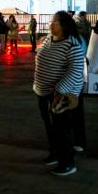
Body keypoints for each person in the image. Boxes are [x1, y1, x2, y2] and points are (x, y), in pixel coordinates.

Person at [33, 11, 85, 176]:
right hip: (43, 91)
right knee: (50, 126)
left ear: (64, 25)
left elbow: (75, 71)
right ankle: (54, 152)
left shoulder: (72, 45)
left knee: (62, 128)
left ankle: (67, 162)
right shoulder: (49, 39)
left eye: (55, 22)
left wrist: (60, 90)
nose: (51, 24)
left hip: (60, 95)